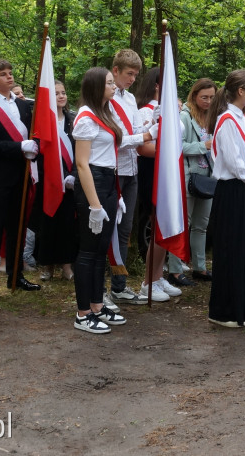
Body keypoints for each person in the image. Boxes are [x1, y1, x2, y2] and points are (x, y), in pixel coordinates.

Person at [0, 59, 41, 301]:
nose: (10, 77)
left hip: (22, 176)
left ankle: (16, 275)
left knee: (18, 229)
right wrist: (19, 147)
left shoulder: (23, 106)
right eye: (3, 74)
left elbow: (35, 135)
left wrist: (34, 147)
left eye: (11, 73)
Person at [206, 69, 245, 327]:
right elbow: (233, 162)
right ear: (240, 91)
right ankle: (224, 311)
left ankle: (244, 304)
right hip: (231, 190)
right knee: (230, 250)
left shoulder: (240, 118)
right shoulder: (228, 121)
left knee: (243, 249)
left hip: (241, 188)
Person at [71, 67, 127, 333]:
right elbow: (82, 164)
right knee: (88, 251)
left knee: (100, 251)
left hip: (108, 182)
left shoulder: (105, 112)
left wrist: (151, 130)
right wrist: (94, 205)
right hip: (92, 184)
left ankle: (96, 305)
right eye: (108, 83)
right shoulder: (86, 117)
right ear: (96, 86)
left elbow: (115, 149)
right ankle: (83, 313)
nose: (114, 85)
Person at [107, 50, 154, 307]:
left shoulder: (131, 99)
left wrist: (152, 127)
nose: (133, 79)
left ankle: (119, 286)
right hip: (113, 171)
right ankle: (101, 288)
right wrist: (145, 137)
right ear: (115, 71)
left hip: (132, 170)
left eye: (136, 75)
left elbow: (137, 133)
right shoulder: (105, 98)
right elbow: (116, 139)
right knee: (108, 232)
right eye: (129, 74)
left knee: (124, 231)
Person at [132, 67, 181, 302]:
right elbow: (142, 147)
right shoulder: (145, 112)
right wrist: (170, 150)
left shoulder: (171, 111)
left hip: (169, 170)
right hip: (152, 171)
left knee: (167, 225)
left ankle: (158, 275)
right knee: (157, 224)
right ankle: (147, 281)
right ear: (157, 86)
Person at [32, 80, 78, 282]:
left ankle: (67, 265)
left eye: (63, 92)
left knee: (68, 224)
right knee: (48, 223)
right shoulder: (41, 122)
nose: (61, 96)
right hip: (47, 180)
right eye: (56, 93)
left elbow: (80, 152)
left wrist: (74, 174)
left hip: (68, 181)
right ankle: (47, 265)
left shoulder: (73, 120)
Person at [181, 78, 217, 281]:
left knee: (201, 225)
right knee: (184, 223)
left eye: (212, 97)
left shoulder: (211, 116)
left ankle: (200, 267)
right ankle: (176, 269)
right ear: (194, 95)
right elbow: (179, 146)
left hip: (207, 178)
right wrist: (205, 145)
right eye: (204, 97)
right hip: (189, 176)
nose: (208, 101)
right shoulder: (184, 117)